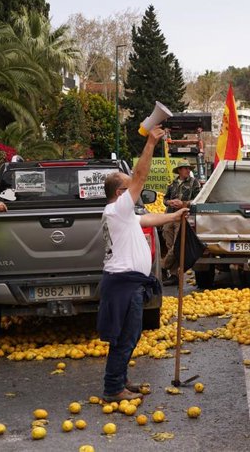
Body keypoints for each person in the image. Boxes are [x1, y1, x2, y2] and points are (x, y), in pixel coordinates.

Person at [97, 127, 189, 402]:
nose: (135, 191)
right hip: (123, 282)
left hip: (128, 282)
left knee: (130, 334)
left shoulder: (123, 214)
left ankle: (120, 380)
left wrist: (174, 217)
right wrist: (150, 142)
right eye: (130, 188)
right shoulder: (117, 209)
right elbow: (140, 174)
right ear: (122, 192)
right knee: (124, 336)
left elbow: (148, 220)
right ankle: (113, 388)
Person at [162, 160, 201, 280]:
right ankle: (174, 275)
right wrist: (169, 202)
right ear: (179, 170)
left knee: (177, 246)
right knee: (170, 245)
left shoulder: (194, 183)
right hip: (169, 217)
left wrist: (183, 203)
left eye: (189, 168)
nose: (188, 171)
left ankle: (163, 266)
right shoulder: (173, 183)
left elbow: (198, 199)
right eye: (186, 168)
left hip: (182, 218)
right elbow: (165, 199)